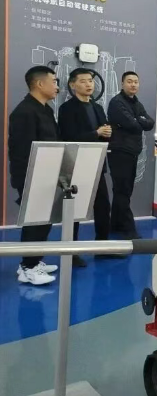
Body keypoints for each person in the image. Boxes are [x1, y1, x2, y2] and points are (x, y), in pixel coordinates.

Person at [8, 66, 60, 285]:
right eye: (54, 81)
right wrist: (28, 179)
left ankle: (34, 260)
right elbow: (21, 151)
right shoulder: (24, 112)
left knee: (44, 221)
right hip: (32, 176)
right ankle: (28, 268)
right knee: (34, 222)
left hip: (48, 173)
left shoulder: (45, 110)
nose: (57, 86)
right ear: (39, 84)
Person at [58, 68, 114, 267]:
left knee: (103, 206)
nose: (89, 84)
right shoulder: (67, 109)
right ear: (73, 85)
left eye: (90, 80)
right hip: (77, 164)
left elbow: (105, 132)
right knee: (75, 209)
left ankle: (102, 247)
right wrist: (96, 133)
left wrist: (107, 133)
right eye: (83, 81)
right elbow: (68, 136)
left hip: (97, 162)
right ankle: (71, 252)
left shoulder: (97, 107)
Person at [107, 71, 155, 239]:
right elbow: (132, 124)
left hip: (132, 151)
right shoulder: (117, 102)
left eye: (136, 81)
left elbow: (149, 123)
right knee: (122, 190)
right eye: (129, 81)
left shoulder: (136, 102)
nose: (133, 84)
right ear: (122, 84)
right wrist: (138, 120)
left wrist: (137, 119)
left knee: (124, 190)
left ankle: (116, 224)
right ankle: (129, 229)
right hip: (119, 151)